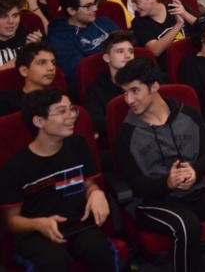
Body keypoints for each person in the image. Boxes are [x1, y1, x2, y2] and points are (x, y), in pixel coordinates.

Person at [114, 57, 205, 272]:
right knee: (187, 225)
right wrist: (166, 183)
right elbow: (134, 184)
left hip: (193, 193)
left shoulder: (189, 115)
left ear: (154, 86)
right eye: (124, 92)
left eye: (135, 91)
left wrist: (194, 171)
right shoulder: (127, 133)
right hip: (152, 202)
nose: (128, 99)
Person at [0, 89, 117, 272]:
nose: (71, 116)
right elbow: (10, 221)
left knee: (97, 250)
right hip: (37, 233)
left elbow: (88, 182)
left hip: (77, 223)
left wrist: (95, 192)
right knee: (55, 262)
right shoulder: (15, 168)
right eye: (62, 111)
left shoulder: (78, 145)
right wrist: (38, 224)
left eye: (72, 109)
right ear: (39, 121)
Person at [48, 0, 116, 90]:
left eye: (94, 4)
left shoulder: (104, 22)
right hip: (96, 87)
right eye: (88, 6)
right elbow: (81, 71)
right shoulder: (60, 37)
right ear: (71, 10)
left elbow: (128, 45)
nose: (95, 9)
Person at [85, 31, 136, 139]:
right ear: (107, 58)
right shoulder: (96, 89)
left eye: (131, 51)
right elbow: (95, 121)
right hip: (119, 138)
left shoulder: (144, 79)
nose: (128, 56)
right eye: (120, 51)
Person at [129, 0, 197, 59]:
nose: (134, 8)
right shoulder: (138, 23)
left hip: (192, 58)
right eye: (133, 4)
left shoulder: (175, 6)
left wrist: (185, 14)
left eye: (137, 2)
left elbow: (204, 27)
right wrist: (179, 24)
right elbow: (155, 51)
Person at [0, 42, 58, 115]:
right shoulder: (5, 101)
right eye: (42, 63)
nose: (51, 68)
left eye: (53, 63)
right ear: (24, 71)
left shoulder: (59, 97)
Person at [0, 0, 43, 68]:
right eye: (3, 16)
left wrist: (39, 49)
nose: (11, 21)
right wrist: (26, 52)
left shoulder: (31, 37)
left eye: (15, 15)